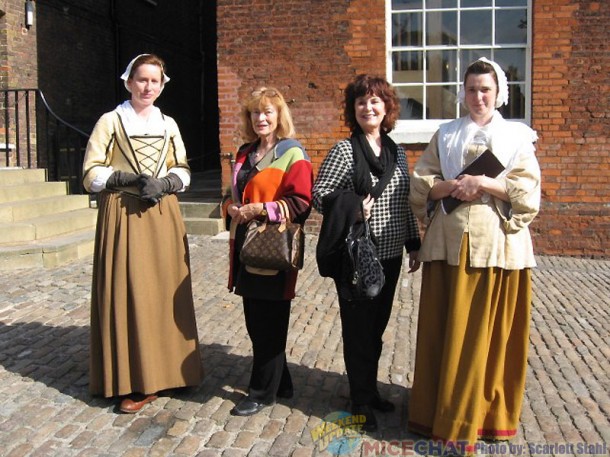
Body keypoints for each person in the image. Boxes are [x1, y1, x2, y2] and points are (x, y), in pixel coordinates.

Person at [407, 57, 541, 454]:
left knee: (486, 334)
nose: (478, 96)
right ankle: (440, 412)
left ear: (499, 93)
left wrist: (484, 182)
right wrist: (450, 186)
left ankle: (479, 415)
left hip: (497, 244)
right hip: (449, 244)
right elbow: (420, 184)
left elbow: (528, 192)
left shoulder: (518, 137)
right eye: (471, 89)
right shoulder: (446, 133)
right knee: (444, 329)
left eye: (485, 89)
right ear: (462, 93)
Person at [82, 54, 203, 414]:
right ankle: (132, 379)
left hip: (162, 214)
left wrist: (166, 182)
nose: (147, 87)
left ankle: (171, 372)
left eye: (154, 81)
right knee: (129, 291)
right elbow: (90, 173)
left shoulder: (169, 124)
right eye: (141, 80)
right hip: (123, 213)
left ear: (162, 84)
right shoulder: (111, 121)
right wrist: (124, 178)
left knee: (166, 292)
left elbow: (183, 169)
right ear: (128, 81)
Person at [312, 74, 421, 433]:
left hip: (389, 257)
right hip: (357, 257)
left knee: (375, 329)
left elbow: (404, 204)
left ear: (387, 107)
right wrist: (355, 206)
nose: (368, 107)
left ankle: (369, 389)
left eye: (375, 101)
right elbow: (320, 194)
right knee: (357, 330)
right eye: (361, 102)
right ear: (353, 109)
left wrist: (414, 244)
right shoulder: (344, 151)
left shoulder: (396, 152)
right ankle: (360, 400)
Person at [226, 87, 313, 416]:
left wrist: (260, 209)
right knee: (255, 321)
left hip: (274, 248)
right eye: (255, 113)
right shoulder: (244, 153)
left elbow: (302, 203)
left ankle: (262, 393)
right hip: (246, 247)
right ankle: (283, 382)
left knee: (270, 322)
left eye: (267, 112)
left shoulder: (293, 153)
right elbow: (232, 193)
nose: (261, 118)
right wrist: (233, 208)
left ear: (279, 117)